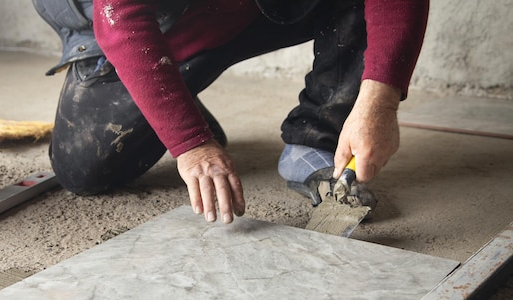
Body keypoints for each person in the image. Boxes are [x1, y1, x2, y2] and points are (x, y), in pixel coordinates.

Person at [32, 0, 429, 224]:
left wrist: (380, 98)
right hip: (139, 24)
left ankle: (316, 139)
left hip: (247, 10)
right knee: (86, 171)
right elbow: (122, 17)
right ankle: (166, 94)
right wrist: (190, 141)